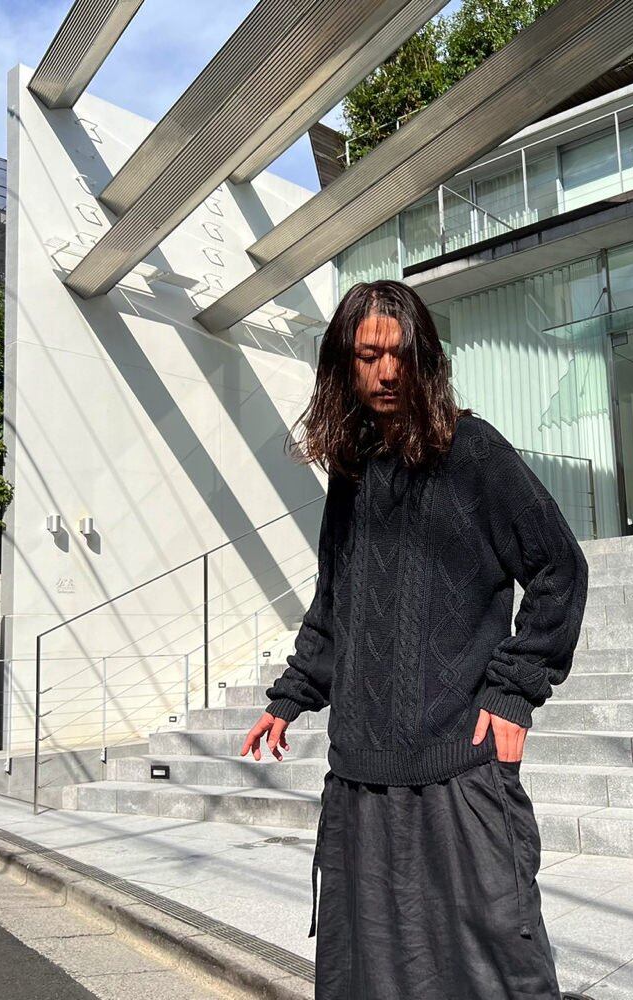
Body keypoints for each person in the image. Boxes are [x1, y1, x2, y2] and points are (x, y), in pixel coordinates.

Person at [240, 279, 589, 1000]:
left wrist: (515, 692)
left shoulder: (475, 452)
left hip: (459, 766)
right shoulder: (352, 472)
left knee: (497, 970)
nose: (388, 372)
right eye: (369, 357)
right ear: (344, 364)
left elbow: (558, 567)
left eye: (401, 354)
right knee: (371, 975)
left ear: (425, 358)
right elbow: (336, 599)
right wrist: (292, 694)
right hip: (361, 775)